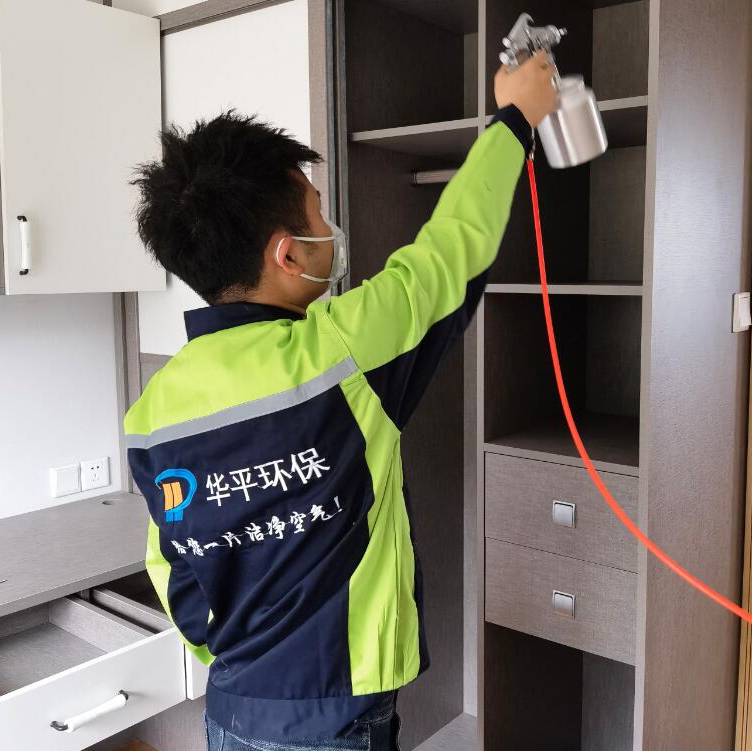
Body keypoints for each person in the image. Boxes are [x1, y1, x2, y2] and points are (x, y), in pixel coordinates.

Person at [124, 50, 558, 751]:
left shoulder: (153, 411)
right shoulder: (339, 354)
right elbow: (451, 253)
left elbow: (170, 568)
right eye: (318, 212)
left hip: (232, 712)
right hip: (336, 719)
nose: (329, 227)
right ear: (287, 254)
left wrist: (243, 661)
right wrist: (515, 119)